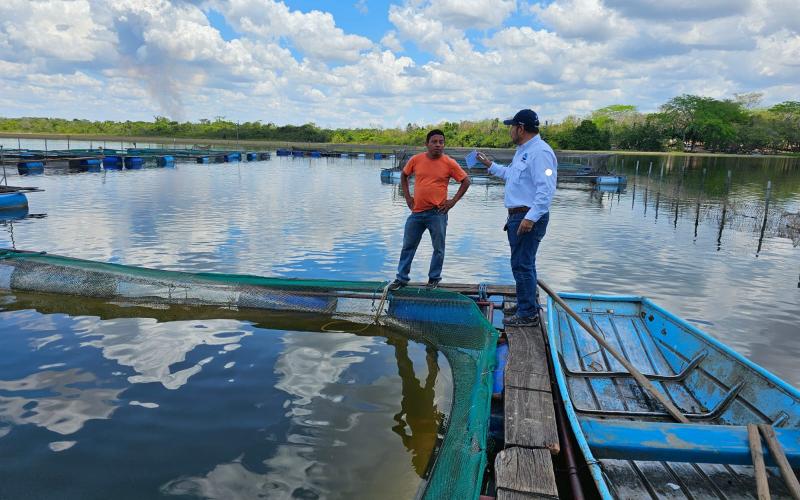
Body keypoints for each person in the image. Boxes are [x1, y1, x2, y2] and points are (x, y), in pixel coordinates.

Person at [477, 109, 557, 327]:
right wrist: (490, 165)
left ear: (521, 128)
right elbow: (511, 175)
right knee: (521, 264)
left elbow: (546, 189)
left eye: (512, 127)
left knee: (523, 265)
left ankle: (528, 314)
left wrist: (530, 218)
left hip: (527, 217)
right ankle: (525, 305)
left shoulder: (540, 152)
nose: (510, 131)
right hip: (519, 216)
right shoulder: (524, 151)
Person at [388, 129, 471, 290]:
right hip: (417, 212)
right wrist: (408, 197)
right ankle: (401, 279)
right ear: (427, 144)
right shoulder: (416, 159)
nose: (438, 145)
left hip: (437, 213)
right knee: (408, 246)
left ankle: (434, 279)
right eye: (434, 142)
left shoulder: (449, 163)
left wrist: (452, 202)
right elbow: (404, 175)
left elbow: (466, 181)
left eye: (441, 142)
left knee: (438, 248)